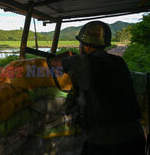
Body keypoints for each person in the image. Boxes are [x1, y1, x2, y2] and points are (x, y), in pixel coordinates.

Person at [51, 21, 145, 155]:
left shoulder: (81, 61)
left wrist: (66, 56)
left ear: (86, 46)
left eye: (81, 44)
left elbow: (54, 64)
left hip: (105, 141)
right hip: (135, 136)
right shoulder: (119, 61)